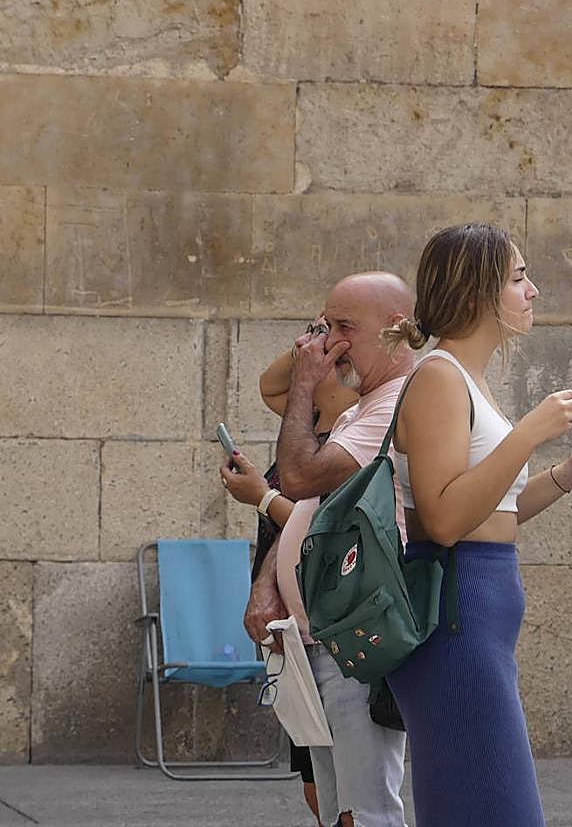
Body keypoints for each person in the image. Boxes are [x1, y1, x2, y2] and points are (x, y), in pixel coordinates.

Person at [380, 223, 572, 827]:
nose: (533, 291)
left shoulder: (463, 378)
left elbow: (495, 512)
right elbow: (443, 520)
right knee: (497, 806)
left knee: (474, 803)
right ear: (477, 294)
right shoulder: (440, 377)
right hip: (458, 601)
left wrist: (566, 474)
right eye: (519, 278)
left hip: (477, 600)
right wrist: (527, 435)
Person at [259, 272, 416, 827]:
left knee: (367, 809)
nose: (331, 343)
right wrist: (269, 583)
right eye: (326, 327)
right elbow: (307, 514)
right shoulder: (360, 404)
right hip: (324, 636)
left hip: (356, 638)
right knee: (335, 809)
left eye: (344, 327)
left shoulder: (396, 403)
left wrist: (306, 381)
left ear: (397, 329)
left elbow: (297, 477)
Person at [222, 317, 359, 824]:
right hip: (291, 620)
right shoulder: (311, 419)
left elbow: (327, 526)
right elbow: (270, 384)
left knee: (349, 785)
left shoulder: (354, 429)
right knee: (313, 778)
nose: (303, 357)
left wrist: (263, 498)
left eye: (318, 351)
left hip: (326, 618)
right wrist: (312, 341)